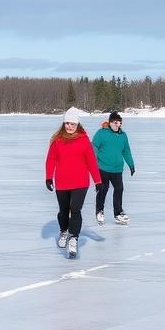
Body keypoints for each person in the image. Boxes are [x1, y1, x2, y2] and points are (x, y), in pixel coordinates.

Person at [44, 107, 102, 258]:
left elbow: (91, 162)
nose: (70, 127)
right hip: (62, 182)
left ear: (78, 125)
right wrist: (49, 177)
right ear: (64, 124)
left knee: (75, 210)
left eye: (73, 124)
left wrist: (98, 181)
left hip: (80, 182)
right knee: (64, 211)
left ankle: (73, 238)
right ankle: (64, 231)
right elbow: (51, 159)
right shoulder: (57, 141)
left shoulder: (84, 140)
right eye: (67, 123)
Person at [91, 111, 136, 225]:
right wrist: (94, 161)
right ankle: (99, 211)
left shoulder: (123, 136)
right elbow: (94, 146)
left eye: (119, 123)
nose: (117, 125)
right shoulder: (102, 133)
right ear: (110, 123)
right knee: (103, 189)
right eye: (115, 122)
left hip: (117, 169)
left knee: (119, 189)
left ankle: (118, 213)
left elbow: (126, 151)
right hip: (103, 167)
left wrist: (131, 164)